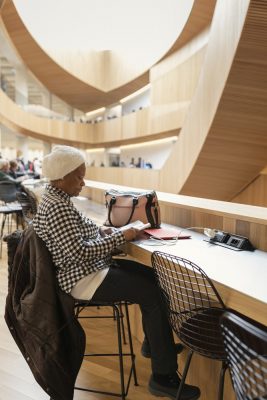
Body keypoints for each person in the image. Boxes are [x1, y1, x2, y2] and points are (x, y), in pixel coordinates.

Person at [32, 145, 200, 400]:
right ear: (62, 176)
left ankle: (155, 345)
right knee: (152, 293)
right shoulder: (57, 206)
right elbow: (79, 253)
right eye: (78, 176)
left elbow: (84, 230)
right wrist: (121, 236)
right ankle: (162, 376)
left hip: (87, 270)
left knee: (153, 277)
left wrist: (106, 232)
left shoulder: (58, 199)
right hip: (81, 279)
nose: (83, 182)